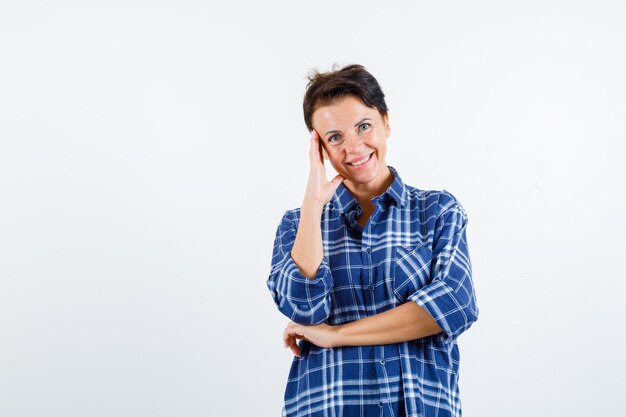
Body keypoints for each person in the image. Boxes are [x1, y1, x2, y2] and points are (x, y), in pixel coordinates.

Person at [266, 63, 479, 417]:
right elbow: (304, 307)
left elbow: (453, 305)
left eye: (363, 126)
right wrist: (314, 202)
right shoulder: (297, 224)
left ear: (386, 122)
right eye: (334, 137)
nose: (353, 147)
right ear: (318, 148)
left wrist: (336, 335)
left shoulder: (437, 211)